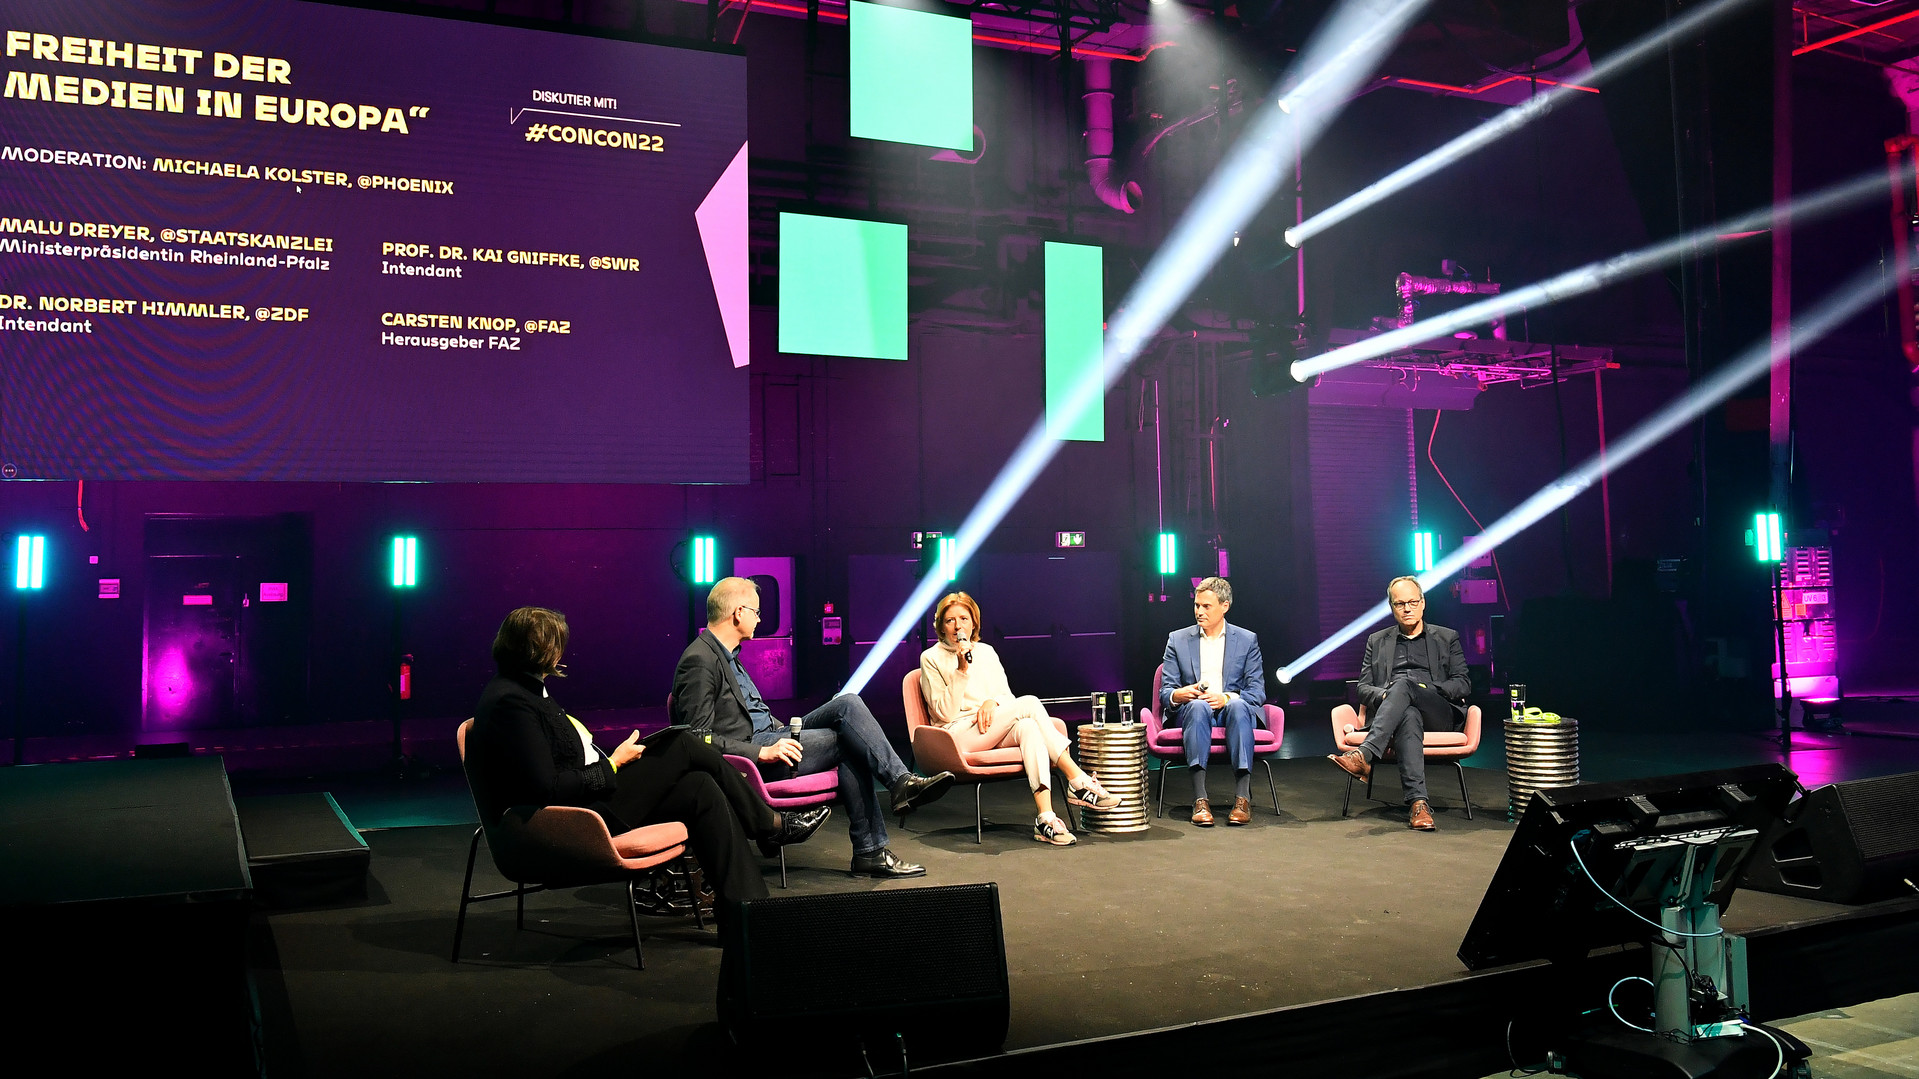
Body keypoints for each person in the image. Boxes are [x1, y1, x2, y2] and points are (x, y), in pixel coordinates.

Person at [467, 607, 829, 908]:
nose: (562, 653)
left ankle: (747, 911)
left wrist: (612, 762)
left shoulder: (525, 691)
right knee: (684, 744)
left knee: (700, 786)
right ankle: (770, 826)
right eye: (557, 645)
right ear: (541, 650)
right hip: (578, 818)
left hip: (590, 802)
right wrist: (611, 765)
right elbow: (549, 787)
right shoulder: (510, 703)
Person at [672, 576, 955, 879]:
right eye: (756, 611)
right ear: (738, 613)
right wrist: (762, 752)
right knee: (849, 743)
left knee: (847, 702)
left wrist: (779, 733)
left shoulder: (729, 657)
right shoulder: (700, 660)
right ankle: (872, 848)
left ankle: (900, 784)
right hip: (756, 756)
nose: (759, 618)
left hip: (775, 736)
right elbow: (695, 739)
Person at [918, 592, 1122, 846]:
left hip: (990, 727)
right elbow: (943, 713)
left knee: (1028, 727)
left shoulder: (987, 652)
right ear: (940, 626)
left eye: (963, 618)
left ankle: (1045, 818)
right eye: (950, 621)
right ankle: (1076, 778)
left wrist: (993, 702)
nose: (958, 626)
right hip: (956, 736)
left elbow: (1006, 696)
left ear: (974, 622)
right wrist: (961, 670)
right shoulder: (930, 658)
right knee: (1030, 703)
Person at [1329, 575, 1471, 831]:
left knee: (1405, 685)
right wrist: (1386, 696)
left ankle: (1364, 755)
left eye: (1412, 602)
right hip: (1397, 714)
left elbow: (1463, 683)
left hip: (1438, 711)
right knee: (1408, 714)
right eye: (1400, 603)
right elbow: (1362, 689)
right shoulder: (1377, 640)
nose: (1407, 608)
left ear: (1423, 603)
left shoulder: (1447, 637)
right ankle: (1418, 804)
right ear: (1391, 606)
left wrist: (1427, 689)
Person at [1158, 576, 1269, 827]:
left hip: (1231, 709)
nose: (1199, 611)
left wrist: (1225, 698)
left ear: (1225, 606)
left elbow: (1257, 691)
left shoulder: (1246, 640)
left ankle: (1242, 798)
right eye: (1197, 605)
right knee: (1197, 706)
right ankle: (1200, 799)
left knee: (1239, 705)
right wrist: (1181, 694)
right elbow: (1166, 692)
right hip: (1194, 711)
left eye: (1206, 606)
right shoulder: (1177, 640)